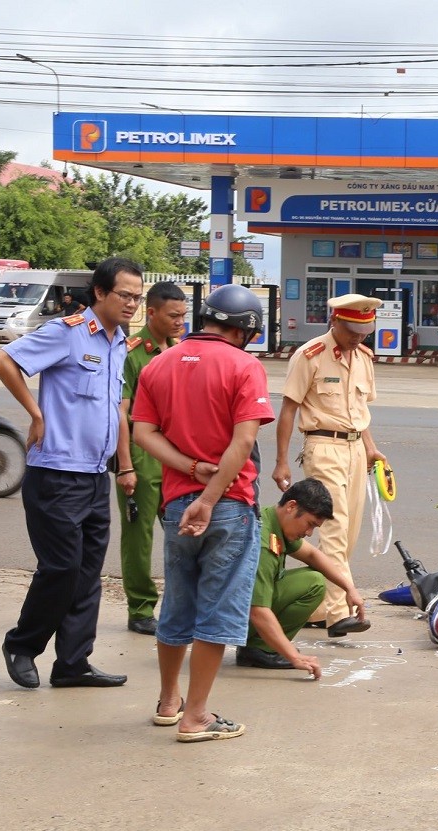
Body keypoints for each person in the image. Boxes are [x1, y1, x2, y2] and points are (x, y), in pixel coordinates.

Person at [132, 283, 275, 742]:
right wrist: (210, 495)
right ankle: (196, 716)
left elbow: (144, 434)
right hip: (228, 507)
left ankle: (168, 701)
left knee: (177, 601)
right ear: (247, 330)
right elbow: (244, 443)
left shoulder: (159, 364)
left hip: (175, 504)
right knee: (217, 609)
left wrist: (189, 470)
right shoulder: (244, 366)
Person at [0, 256, 142, 690]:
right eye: (125, 295)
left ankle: (73, 662)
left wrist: (122, 464)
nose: (132, 303)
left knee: (88, 573)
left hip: (96, 475)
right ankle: (22, 644)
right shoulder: (68, 332)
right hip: (57, 472)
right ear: (100, 293)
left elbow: (114, 408)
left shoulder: (117, 343)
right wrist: (35, 412)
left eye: (137, 296)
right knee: (61, 568)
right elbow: (4, 361)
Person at [272, 293, 386, 639]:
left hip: (354, 450)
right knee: (334, 530)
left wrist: (371, 449)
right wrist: (281, 461)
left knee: (348, 534)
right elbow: (289, 409)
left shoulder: (364, 356)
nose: (358, 338)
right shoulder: (310, 356)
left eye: (364, 332)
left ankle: (319, 607)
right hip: (322, 447)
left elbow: (360, 412)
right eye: (352, 331)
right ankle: (339, 614)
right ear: (334, 322)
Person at [115, 281, 188, 636]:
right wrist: (125, 466)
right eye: (173, 315)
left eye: (184, 316)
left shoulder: (179, 351)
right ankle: (140, 608)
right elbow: (121, 413)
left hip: (172, 454)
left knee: (183, 533)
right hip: (141, 456)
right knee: (139, 537)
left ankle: (181, 604)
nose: (179, 322)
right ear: (152, 312)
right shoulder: (132, 352)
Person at [238, 478, 367, 675]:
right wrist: (294, 657)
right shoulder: (264, 542)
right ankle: (259, 648)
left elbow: (313, 555)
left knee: (313, 579)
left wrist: (349, 588)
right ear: (291, 507)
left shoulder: (274, 522)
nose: (308, 533)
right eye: (309, 524)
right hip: (232, 618)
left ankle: (262, 645)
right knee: (313, 583)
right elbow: (258, 611)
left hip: (242, 610)